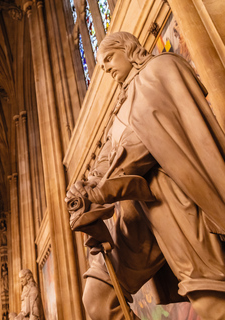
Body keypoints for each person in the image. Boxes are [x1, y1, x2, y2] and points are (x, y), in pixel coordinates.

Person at [65, 31, 225, 320]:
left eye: (109, 58)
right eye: (101, 65)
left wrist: (99, 189)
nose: (107, 68)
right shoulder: (121, 104)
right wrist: (85, 185)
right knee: (98, 297)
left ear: (128, 49)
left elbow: (145, 138)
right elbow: (109, 155)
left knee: (212, 299)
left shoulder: (159, 69)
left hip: (171, 199)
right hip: (134, 213)